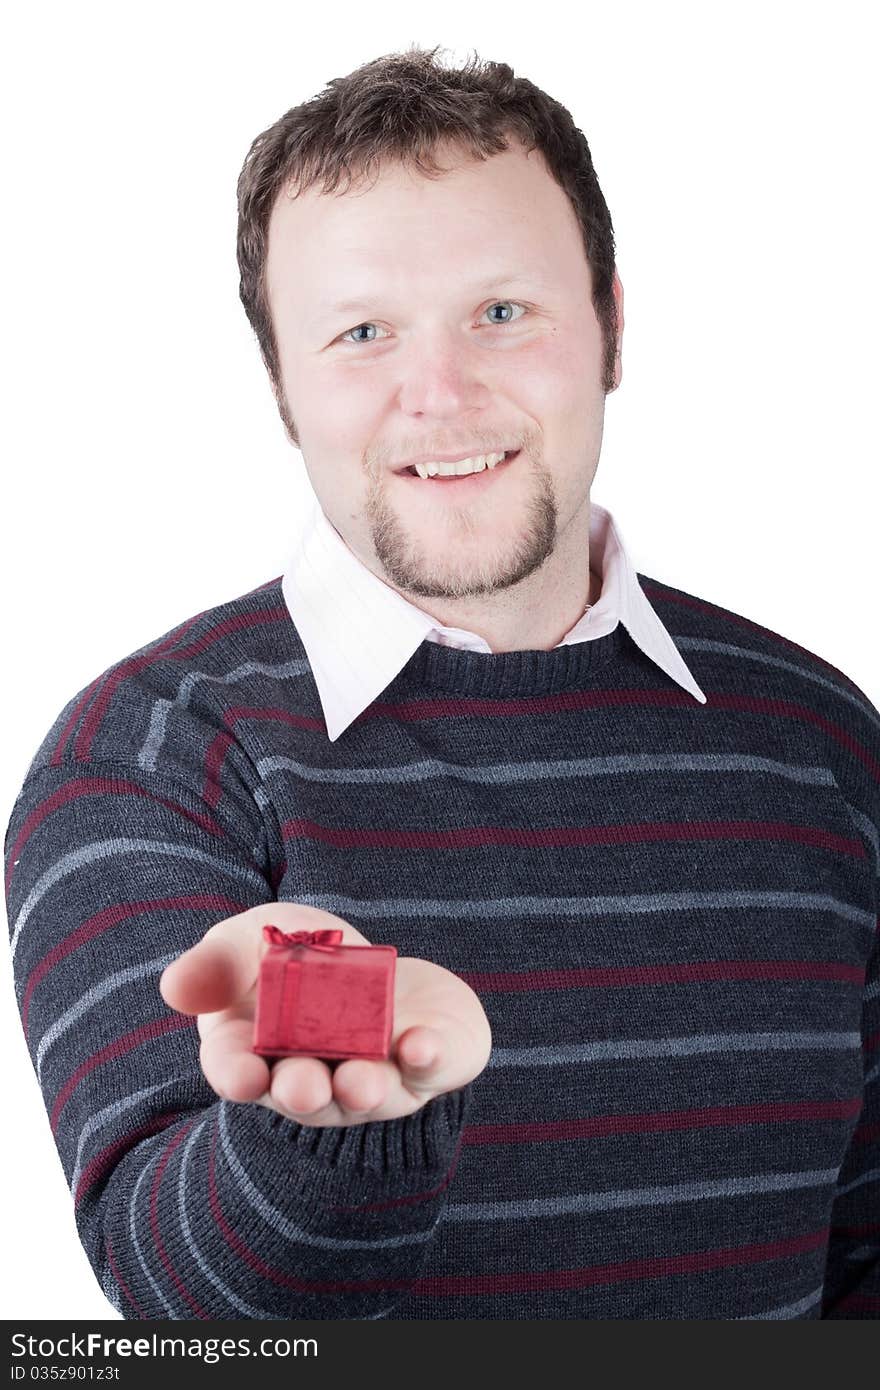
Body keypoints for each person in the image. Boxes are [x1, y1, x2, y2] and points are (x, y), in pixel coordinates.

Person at [5, 45, 878, 1321]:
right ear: (283, 391)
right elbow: (183, 1310)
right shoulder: (147, 756)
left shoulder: (821, 741)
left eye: (502, 313)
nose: (441, 393)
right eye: (362, 334)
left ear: (612, 327)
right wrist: (343, 1107)